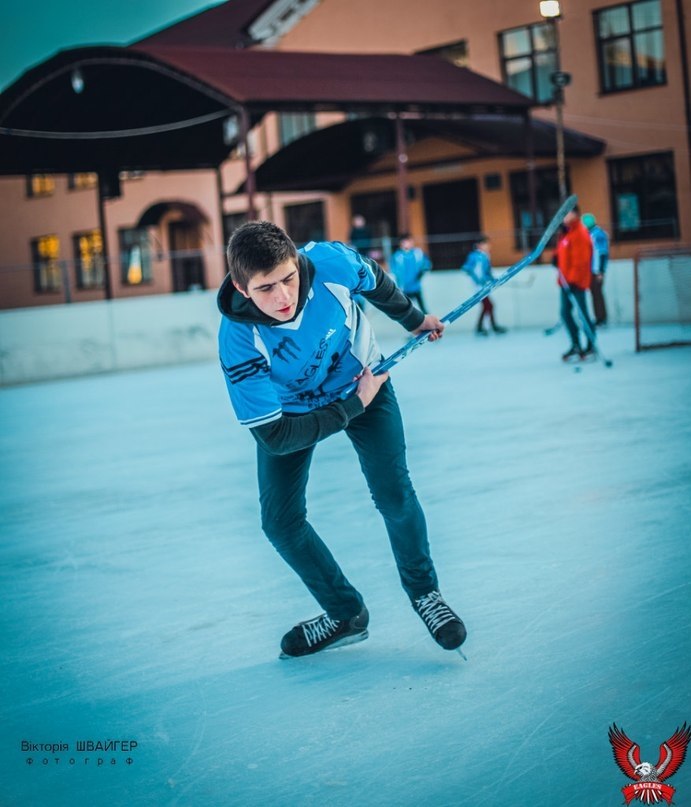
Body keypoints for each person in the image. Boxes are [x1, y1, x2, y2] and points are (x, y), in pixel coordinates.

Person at [217, 221, 466, 658]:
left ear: (297, 261)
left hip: (360, 378)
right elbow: (275, 437)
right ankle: (344, 613)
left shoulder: (331, 262)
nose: (284, 297)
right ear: (241, 288)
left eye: (289, 278)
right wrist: (353, 406)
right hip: (301, 410)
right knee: (279, 522)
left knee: (394, 493)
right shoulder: (238, 338)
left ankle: (425, 593)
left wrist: (412, 320)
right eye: (266, 288)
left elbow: (378, 283)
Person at [555, 207, 595, 361]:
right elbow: (563, 251)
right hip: (565, 282)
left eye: (567, 213)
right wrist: (554, 257)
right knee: (565, 313)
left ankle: (591, 345)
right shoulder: (567, 232)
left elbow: (581, 260)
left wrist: (573, 280)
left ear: (575, 214)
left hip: (576, 282)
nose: (564, 217)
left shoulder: (580, 232)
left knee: (582, 313)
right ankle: (576, 344)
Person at [461, 236, 507, 335]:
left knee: (487, 306)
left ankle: (481, 327)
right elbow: (466, 268)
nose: (488, 246)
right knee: (489, 305)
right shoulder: (474, 255)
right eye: (485, 244)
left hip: (483, 285)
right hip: (478, 286)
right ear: (479, 245)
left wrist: (493, 279)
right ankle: (490, 327)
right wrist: (477, 280)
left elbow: (487, 272)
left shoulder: (485, 256)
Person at [390, 233, 432, 313]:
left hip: (416, 286)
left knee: (423, 308)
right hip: (404, 288)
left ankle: (428, 320)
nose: (407, 244)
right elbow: (393, 269)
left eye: (408, 241)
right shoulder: (397, 256)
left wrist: (423, 271)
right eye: (404, 242)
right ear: (400, 244)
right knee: (406, 310)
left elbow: (427, 264)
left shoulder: (418, 253)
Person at [582, 212, 610, 327]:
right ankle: (599, 317)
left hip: (596, 271)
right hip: (592, 270)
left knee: (597, 294)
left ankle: (601, 318)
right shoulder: (591, 234)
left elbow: (602, 253)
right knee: (595, 294)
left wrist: (601, 271)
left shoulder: (597, 234)